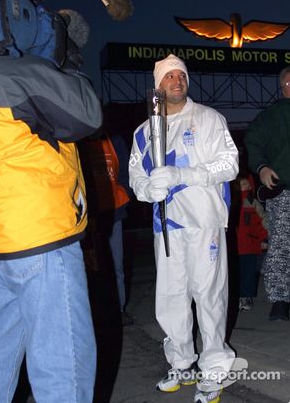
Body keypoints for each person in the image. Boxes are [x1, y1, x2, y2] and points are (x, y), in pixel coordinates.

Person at [0, 0, 102, 403]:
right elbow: (87, 113)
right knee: (63, 365)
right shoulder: (20, 75)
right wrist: (64, 60)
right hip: (40, 239)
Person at [129, 54, 239, 403]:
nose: (177, 81)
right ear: (157, 86)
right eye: (169, 77)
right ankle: (181, 363)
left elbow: (230, 164)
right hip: (167, 225)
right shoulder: (144, 131)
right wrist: (149, 190)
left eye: (181, 75)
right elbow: (136, 177)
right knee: (171, 299)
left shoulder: (208, 119)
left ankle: (215, 369)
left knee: (209, 297)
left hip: (204, 221)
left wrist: (183, 176)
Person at [244, 66, 290, 322]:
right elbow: (253, 139)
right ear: (286, 85)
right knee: (283, 246)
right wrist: (261, 167)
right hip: (284, 191)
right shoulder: (272, 116)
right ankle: (280, 301)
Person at [79, 131, 132, 325]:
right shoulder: (80, 141)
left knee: (116, 266)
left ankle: (119, 310)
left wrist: (124, 196)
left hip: (113, 213)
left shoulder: (115, 141)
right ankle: (94, 313)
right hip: (88, 217)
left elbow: (125, 173)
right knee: (90, 267)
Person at [235, 173, 268, 311]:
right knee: (236, 273)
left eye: (247, 184)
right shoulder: (232, 202)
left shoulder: (253, 202)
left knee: (248, 273)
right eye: (243, 184)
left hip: (250, 245)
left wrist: (265, 238)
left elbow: (262, 222)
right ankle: (236, 297)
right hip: (235, 246)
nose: (247, 186)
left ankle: (246, 297)